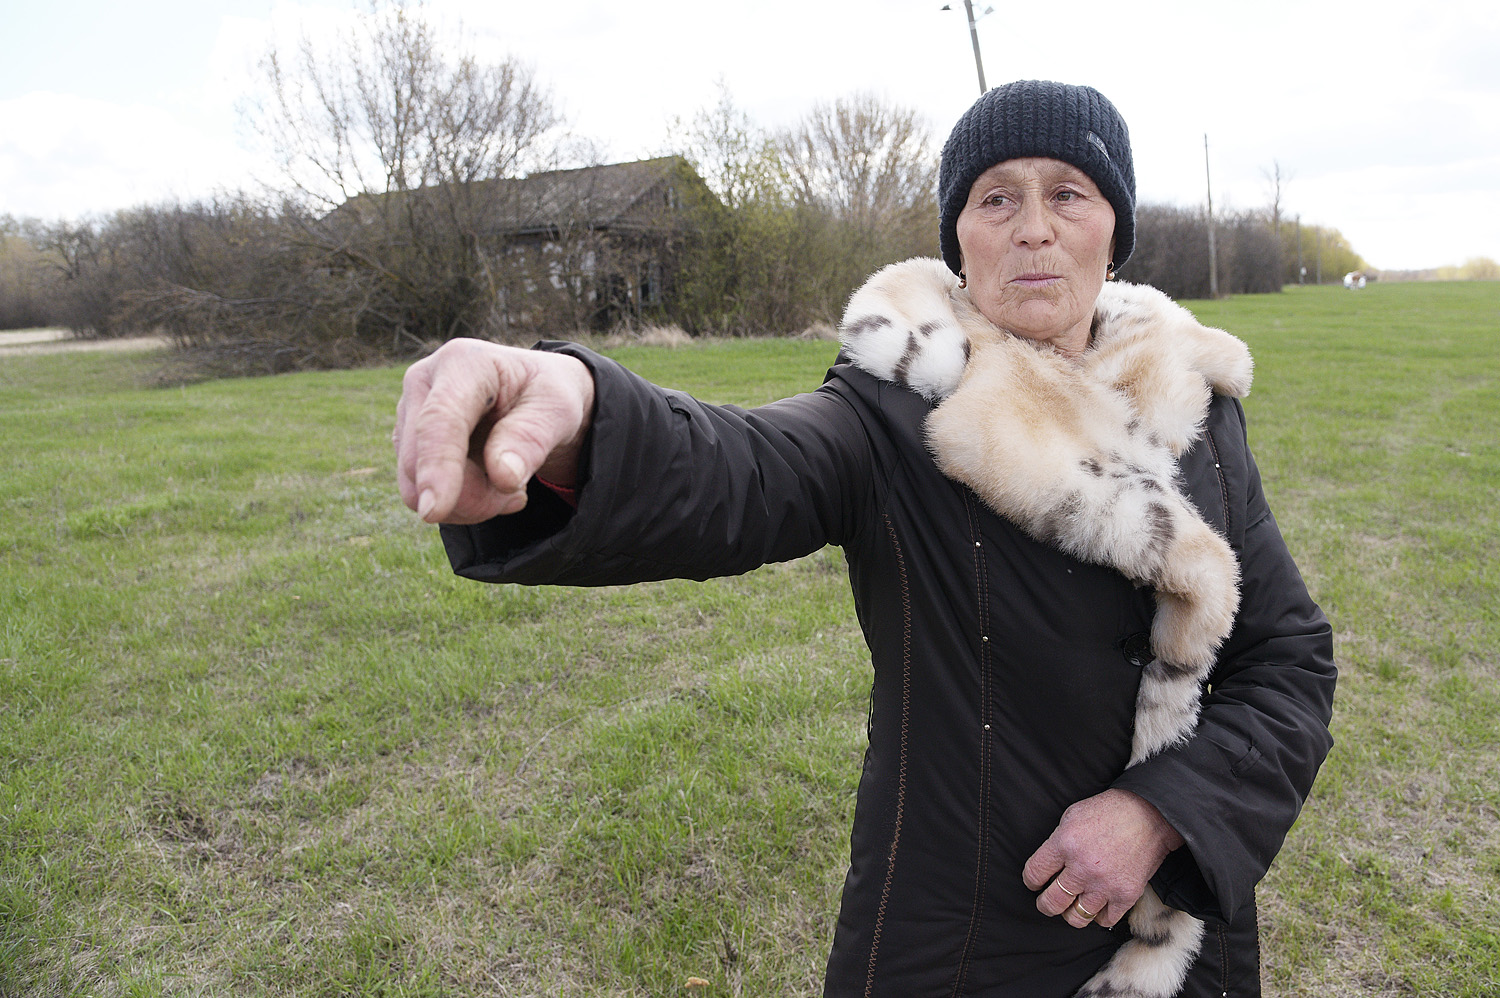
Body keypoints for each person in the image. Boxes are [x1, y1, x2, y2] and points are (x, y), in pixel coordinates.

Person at [393, 80, 1335, 998]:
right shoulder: (894, 408)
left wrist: (1162, 816)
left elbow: (1286, 660)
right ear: (959, 240)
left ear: (1114, 232)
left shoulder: (1197, 411)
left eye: (1068, 194)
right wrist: (583, 421)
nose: (1033, 228)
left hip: (1180, 940)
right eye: (995, 198)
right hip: (966, 936)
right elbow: (742, 468)